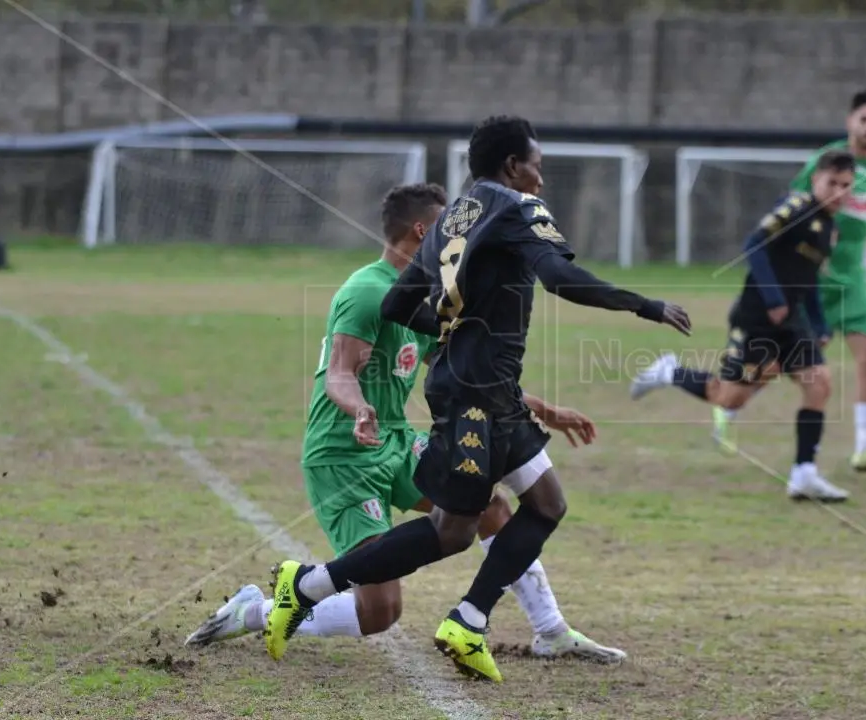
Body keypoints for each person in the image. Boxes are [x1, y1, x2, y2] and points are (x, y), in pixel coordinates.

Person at [261, 115, 692, 682]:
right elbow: (561, 278)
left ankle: (474, 617)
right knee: (453, 531)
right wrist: (645, 305)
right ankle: (312, 585)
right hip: (472, 397)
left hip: (492, 391)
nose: (541, 178)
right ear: (513, 165)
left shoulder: (457, 214)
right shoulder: (517, 208)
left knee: (545, 504)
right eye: (536, 165)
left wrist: (452, 330)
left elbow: (397, 305)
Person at [183, 183, 625, 664]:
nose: (461, 237)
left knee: (487, 507)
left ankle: (550, 630)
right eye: (450, 226)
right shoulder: (365, 293)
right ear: (424, 230)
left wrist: (543, 409)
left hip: (395, 441)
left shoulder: (429, 297)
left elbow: (469, 376)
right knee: (381, 611)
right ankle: (256, 612)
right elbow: (339, 374)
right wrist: (360, 410)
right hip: (343, 455)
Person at [628, 152, 857, 502]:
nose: (838, 192)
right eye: (832, 183)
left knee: (820, 382)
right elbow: (754, 244)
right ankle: (669, 371)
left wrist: (820, 324)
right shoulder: (796, 207)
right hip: (757, 318)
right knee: (728, 396)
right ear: (815, 180)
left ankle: (804, 474)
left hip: (792, 323)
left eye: (846, 186)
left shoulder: (831, 229)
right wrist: (773, 298)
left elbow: (810, 280)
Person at [786, 88, 866, 474]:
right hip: (814, 277)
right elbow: (794, 209)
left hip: (852, 281)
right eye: (864, 119)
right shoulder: (826, 161)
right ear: (850, 122)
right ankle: (727, 401)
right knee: (780, 364)